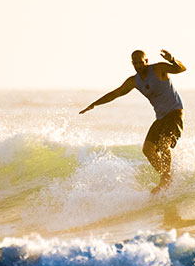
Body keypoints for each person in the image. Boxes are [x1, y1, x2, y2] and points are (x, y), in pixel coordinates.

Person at [80, 48, 187, 192]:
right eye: (135, 63)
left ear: (146, 61)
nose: (138, 66)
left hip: (174, 113)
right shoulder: (134, 81)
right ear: (132, 64)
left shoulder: (158, 69)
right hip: (161, 118)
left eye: (141, 63)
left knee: (163, 145)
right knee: (147, 149)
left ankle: (166, 179)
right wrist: (94, 104)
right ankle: (166, 177)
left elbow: (181, 69)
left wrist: (172, 59)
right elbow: (115, 93)